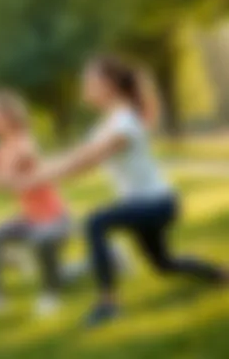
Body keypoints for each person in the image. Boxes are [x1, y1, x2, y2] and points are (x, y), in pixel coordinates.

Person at [16, 55, 228, 327]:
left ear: (108, 84)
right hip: (145, 204)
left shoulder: (124, 121)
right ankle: (222, 275)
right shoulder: (108, 122)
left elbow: (86, 161)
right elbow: (77, 155)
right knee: (164, 264)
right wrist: (36, 172)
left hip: (157, 203)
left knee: (96, 222)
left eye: (89, 80)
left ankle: (108, 304)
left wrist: (36, 178)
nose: (84, 85)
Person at [0, 90, 71, 317]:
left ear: (8, 117)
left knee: (43, 244)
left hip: (54, 218)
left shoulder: (25, 143)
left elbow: (9, 176)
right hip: (31, 219)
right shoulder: (0, 147)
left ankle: (50, 297)